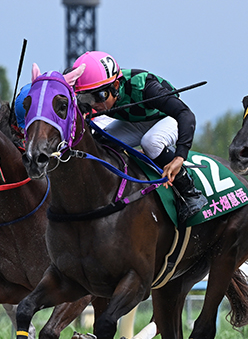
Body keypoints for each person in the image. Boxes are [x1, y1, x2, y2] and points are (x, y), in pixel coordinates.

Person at [68, 51, 207, 224]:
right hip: (138, 121)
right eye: (86, 97)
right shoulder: (96, 96)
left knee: (151, 142)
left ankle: (189, 192)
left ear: (116, 85)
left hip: (167, 117)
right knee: (100, 143)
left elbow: (185, 114)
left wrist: (179, 157)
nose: (93, 104)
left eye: (99, 96)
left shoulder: (144, 86)